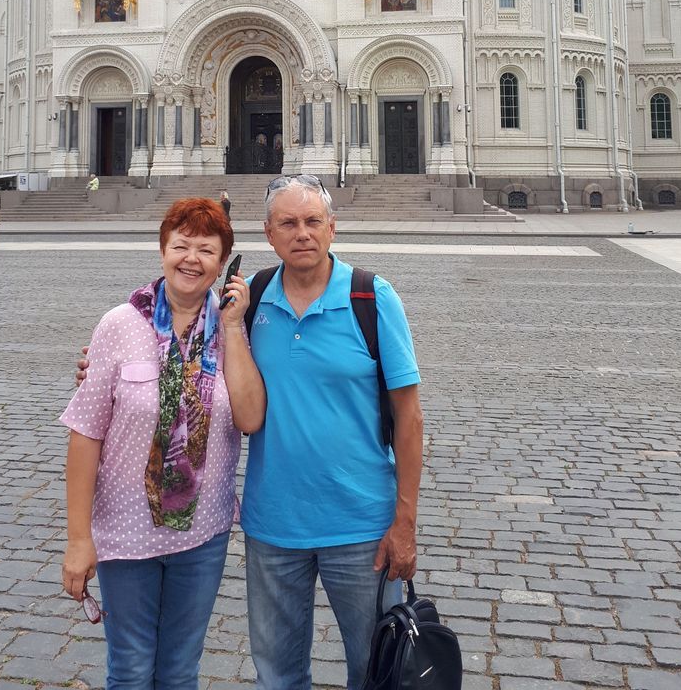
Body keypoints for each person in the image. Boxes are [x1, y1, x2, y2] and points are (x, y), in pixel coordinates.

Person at [75, 174, 423, 690]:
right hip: (273, 528)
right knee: (275, 674)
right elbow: (138, 384)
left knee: (376, 669)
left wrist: (405, 521)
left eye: (312, 221)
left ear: (333, 228)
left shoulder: (368, 297)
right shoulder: (252, 300)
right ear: (269, 233)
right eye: (288, 223)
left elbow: (409, 417)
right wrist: (98, 368)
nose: (301, 233)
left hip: (360, 525)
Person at [61, 198, 265, 690]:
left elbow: (251, 417)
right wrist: (78, 538)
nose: (191, 259)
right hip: (127, 531)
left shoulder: (235, 327)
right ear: (162, 251)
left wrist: (235, 329)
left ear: (223, 264)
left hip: (202, 533)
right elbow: (86, 433)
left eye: (207, 250)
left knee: (179, 670)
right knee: (130, 670)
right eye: (181, 246)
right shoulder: (120, 325)